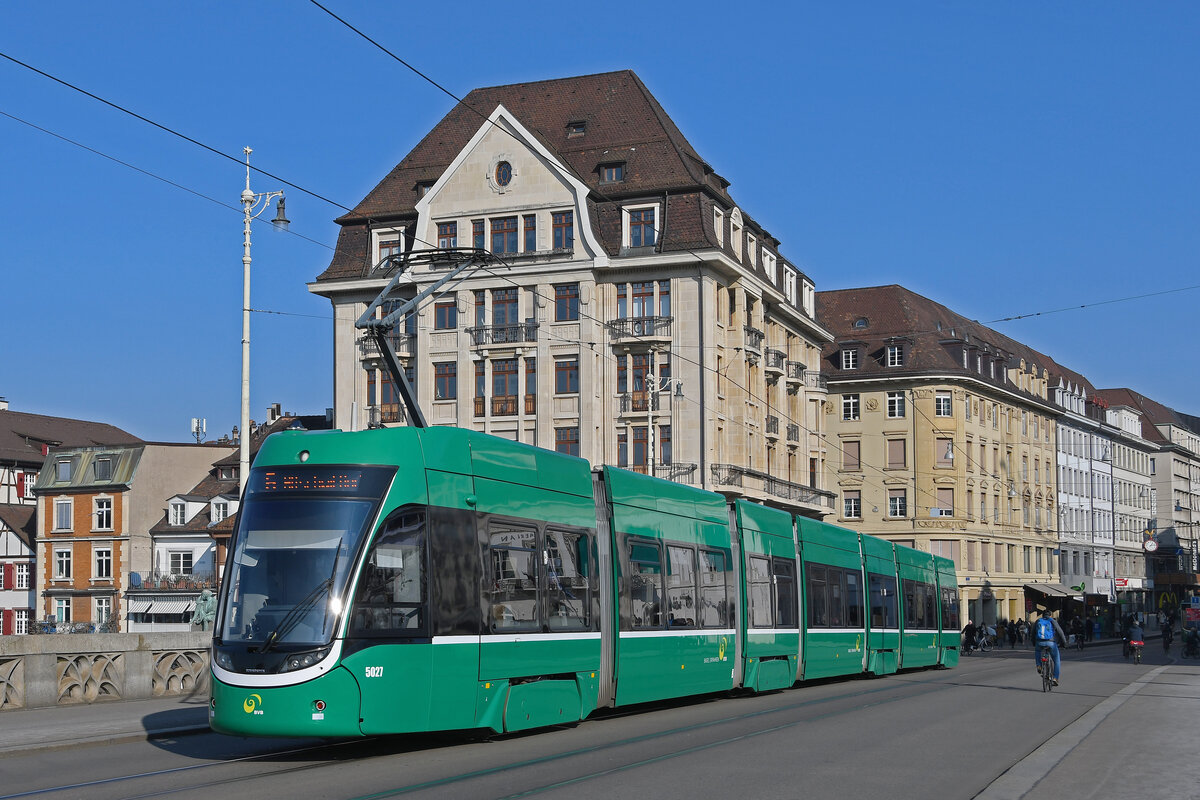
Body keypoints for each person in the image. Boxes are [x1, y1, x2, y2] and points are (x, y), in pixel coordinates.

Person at [1033, 609, 1067, 685]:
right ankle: (1055, 678)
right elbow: (1060, 631)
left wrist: (1034, 643)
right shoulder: (1052, 621)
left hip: (1039, 642)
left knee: (1037, 651)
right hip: (1051, 642)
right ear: (1050, 615)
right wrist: (1064, 642)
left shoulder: (1038, 621)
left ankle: (1039, 665)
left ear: (1042, 615)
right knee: (1057, 661)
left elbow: (1033, 632)